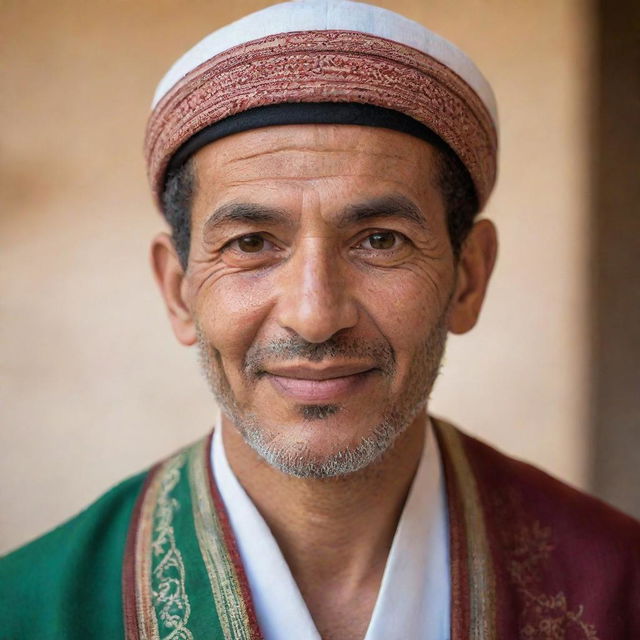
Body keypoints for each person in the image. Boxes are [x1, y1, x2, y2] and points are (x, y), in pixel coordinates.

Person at [1, 1, 639, 638]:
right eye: (251, 243)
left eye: (381, 241)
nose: (313, 317)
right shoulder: (31, 612)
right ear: (178, 290)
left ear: (468, 277)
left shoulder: (618, 589)